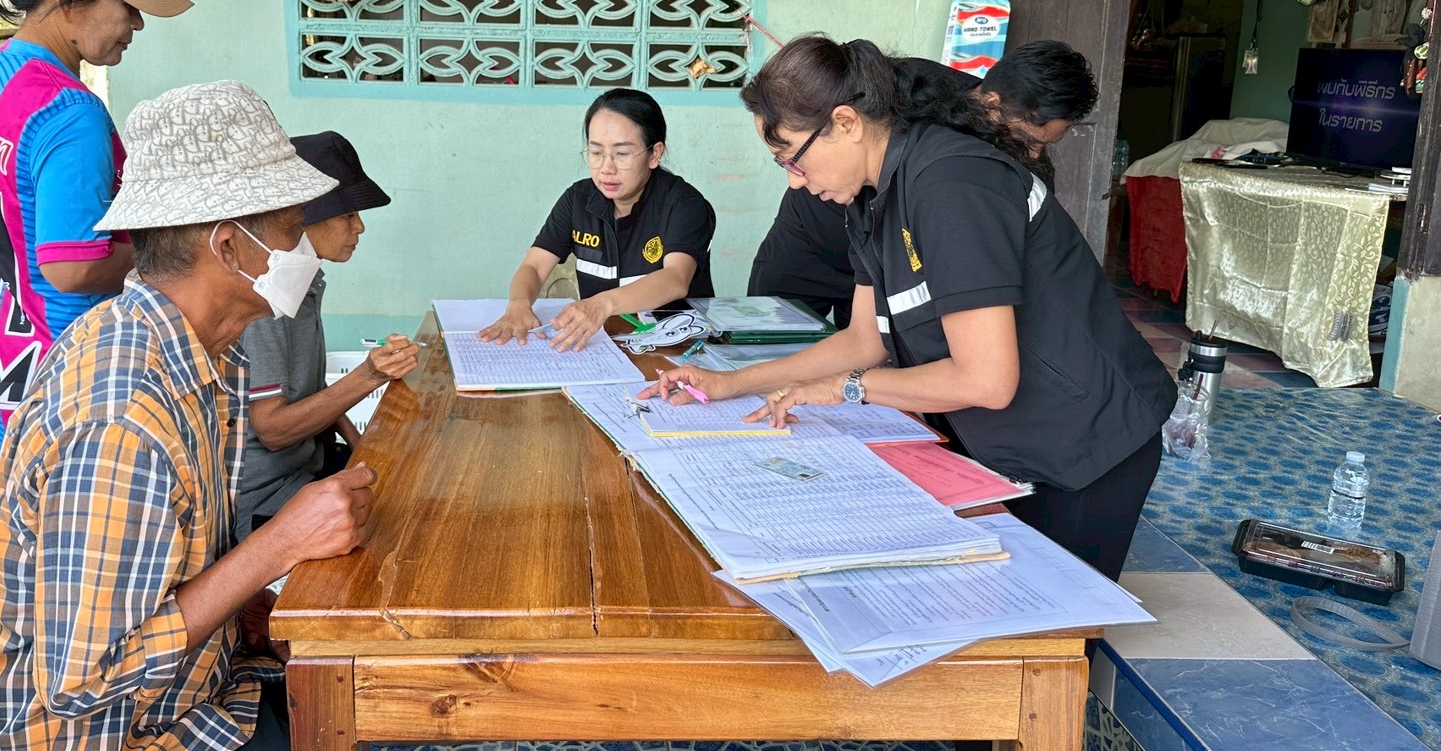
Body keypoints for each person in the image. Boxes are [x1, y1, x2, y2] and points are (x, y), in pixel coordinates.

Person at [645, 35, 1174, 583]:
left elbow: (986, 379)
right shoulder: (872, 195)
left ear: (847, 122)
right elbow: (862, 340)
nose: (792, 179)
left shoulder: (951, 183)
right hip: (1010, 439)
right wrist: (732, 383)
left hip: (1086, 443)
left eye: (792, 158)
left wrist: (849, 387)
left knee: (1052, 636)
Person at [0, 81, 375, 751]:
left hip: (197, 691)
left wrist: (239, 607)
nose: (304, 249)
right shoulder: (121, 418)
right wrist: (277, 546)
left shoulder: (206, 353)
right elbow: (82, 680)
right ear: (229, 248)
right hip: (109, 735)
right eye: (293, 228)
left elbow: (168, 567)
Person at [0, 0, 193, 484]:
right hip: (55, 386)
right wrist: (160, 249)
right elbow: (73, 270)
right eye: (127, 5)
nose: (138, 23)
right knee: (73, 562)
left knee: (9, 549)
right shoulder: (70, 111)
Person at [748, 42, 1098, 327]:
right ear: (993, 104)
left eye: (1045, 144)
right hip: (811, 238)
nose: (1034, 154)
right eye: (1028, 139)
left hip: (883, 270)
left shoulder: (1002, 170)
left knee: (869, 365)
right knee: (761, 337)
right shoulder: (908, 87)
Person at [235, 131, 419, 541]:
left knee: (413, 486)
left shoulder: (307, 276)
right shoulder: (264, 299)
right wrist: (369, 376)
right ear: (304, 216)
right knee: (398, 536)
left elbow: (311, 391)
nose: (360, 226)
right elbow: (273, 428)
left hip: (312, 465)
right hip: (269, 498)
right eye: (348, 214)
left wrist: (360, 445)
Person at [480, 88, 717, 352]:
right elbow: (534, 266)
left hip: (679, 348)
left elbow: (675, 278)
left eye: (622, 153)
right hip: (601, 345)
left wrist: (601, 304)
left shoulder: (684, 205)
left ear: (654, 154)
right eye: (596, 153)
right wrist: (518, 304)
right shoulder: (578, 200)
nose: (607, 168)